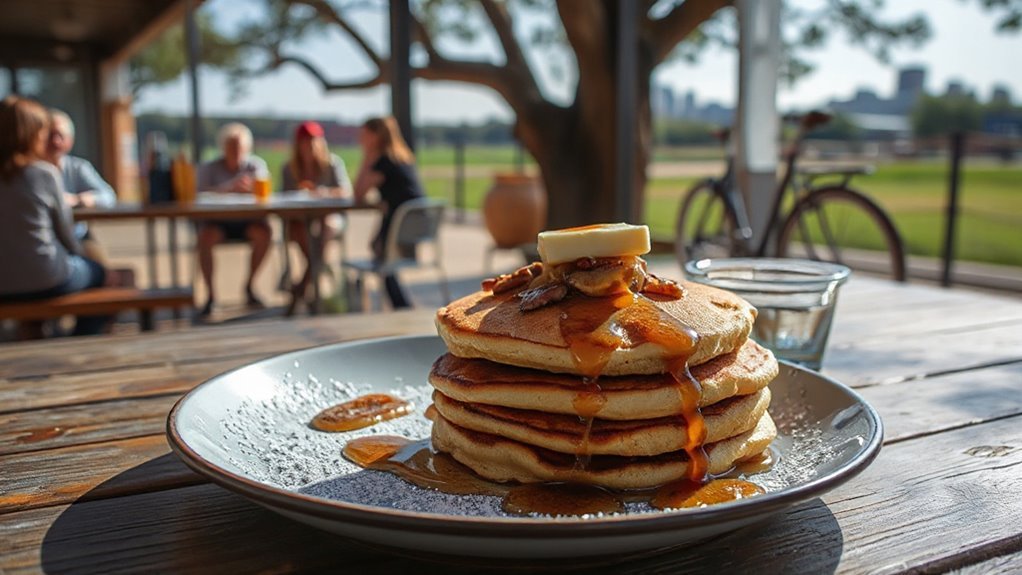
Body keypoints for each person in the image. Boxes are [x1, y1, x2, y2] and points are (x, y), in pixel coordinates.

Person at [0, 96, 113, 336]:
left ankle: (36, 334)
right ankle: (80, 342)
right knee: (103, 274)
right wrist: (85, 258)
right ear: (31, 134)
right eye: (42, 131)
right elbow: (66, 237)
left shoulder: (73, 167)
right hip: (46, 276)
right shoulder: (43, 173)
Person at [195, 123, 272, 317]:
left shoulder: (255, 166)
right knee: (205, 237)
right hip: (218, 222)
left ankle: (249, 286)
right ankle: (211, 295)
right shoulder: (209, 167)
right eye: (231, 147)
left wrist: (252, 190)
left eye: (239, 147)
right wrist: (227, 189)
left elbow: (266, 194)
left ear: (247, 148)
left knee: (264, 233)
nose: (235, 151)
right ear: (223, 147)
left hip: (247, 221)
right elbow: (197, 196)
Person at [353, 116, 424, 309]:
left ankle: (399, 305)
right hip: (417, 223)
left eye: (364, 135)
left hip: (400, 223)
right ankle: (400, 303)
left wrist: (367, 157)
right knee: (378, 250)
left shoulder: (383, 161)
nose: (361, 139)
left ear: (375, 136)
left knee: (380, 254)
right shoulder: (402, 158)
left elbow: (358, 194)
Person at [282, 121, 352, 302]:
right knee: (296, 229)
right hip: (301, 218)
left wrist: (321, 192)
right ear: (298, 144)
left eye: (313, 140)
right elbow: (283, 197)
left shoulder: (332, 163)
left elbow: (346, 191)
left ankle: (303, 284)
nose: (310, 144)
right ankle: (318, 270)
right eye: (305, 140)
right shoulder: (289, 168)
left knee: (326, 225)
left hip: (330, 217)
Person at [46, 109, 117, 264]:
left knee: (102, 266)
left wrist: (79, 199)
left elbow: (109, 196)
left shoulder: (78, 167)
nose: (55, 141)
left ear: (70, 140)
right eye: (50, 135)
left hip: (77, 236)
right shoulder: (32, 170)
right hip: (45, 240)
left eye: (60, 135)